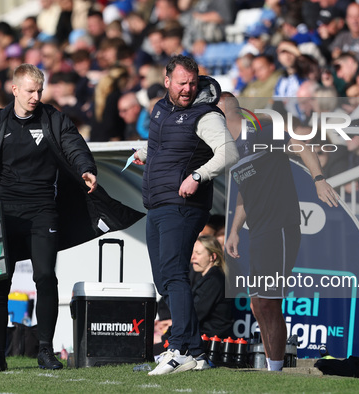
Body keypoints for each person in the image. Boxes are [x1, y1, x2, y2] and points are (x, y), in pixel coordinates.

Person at [0, 63, 142, 372]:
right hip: (0, 213)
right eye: (30, 91)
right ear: (15, 90)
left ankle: (46, 351)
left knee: (46, 277)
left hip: (42, 210)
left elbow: (74, 145)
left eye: (39, 90)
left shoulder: (53, 119)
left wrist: (86, 169)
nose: (36, 96)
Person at [132, 55, 238, 376]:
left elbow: (229, 151)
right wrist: (144, 153)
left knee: (175, 274)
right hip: (157, 202)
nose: (188, 89)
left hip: (184, 204)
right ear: (167, 82)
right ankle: (197, 352)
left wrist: (198, 176)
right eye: (181, 83)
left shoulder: (205, 114)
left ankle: (177, 347)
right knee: (164, 278)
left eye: (192, 83)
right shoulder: (161, 109)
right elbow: (164, 144)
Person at [223, 92, 339, 372]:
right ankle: (272, 367)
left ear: (227, 112)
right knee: (257, 304)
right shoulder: (229, 147)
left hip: (281, 227)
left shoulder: (260, 131)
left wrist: (319, 180)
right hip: (258, 231)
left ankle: (275, 371)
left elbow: (301, 146)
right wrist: (235, 230)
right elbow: (243, 191)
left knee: (270, 302)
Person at [190, 236, 233, 344]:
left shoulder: (214, 281)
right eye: (193, 252)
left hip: (210, 342)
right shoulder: (208, 277)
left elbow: (194, 315)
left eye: (198, 253)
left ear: (212, 257)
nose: (193, 257)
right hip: (204, 338)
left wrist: (166, 335)